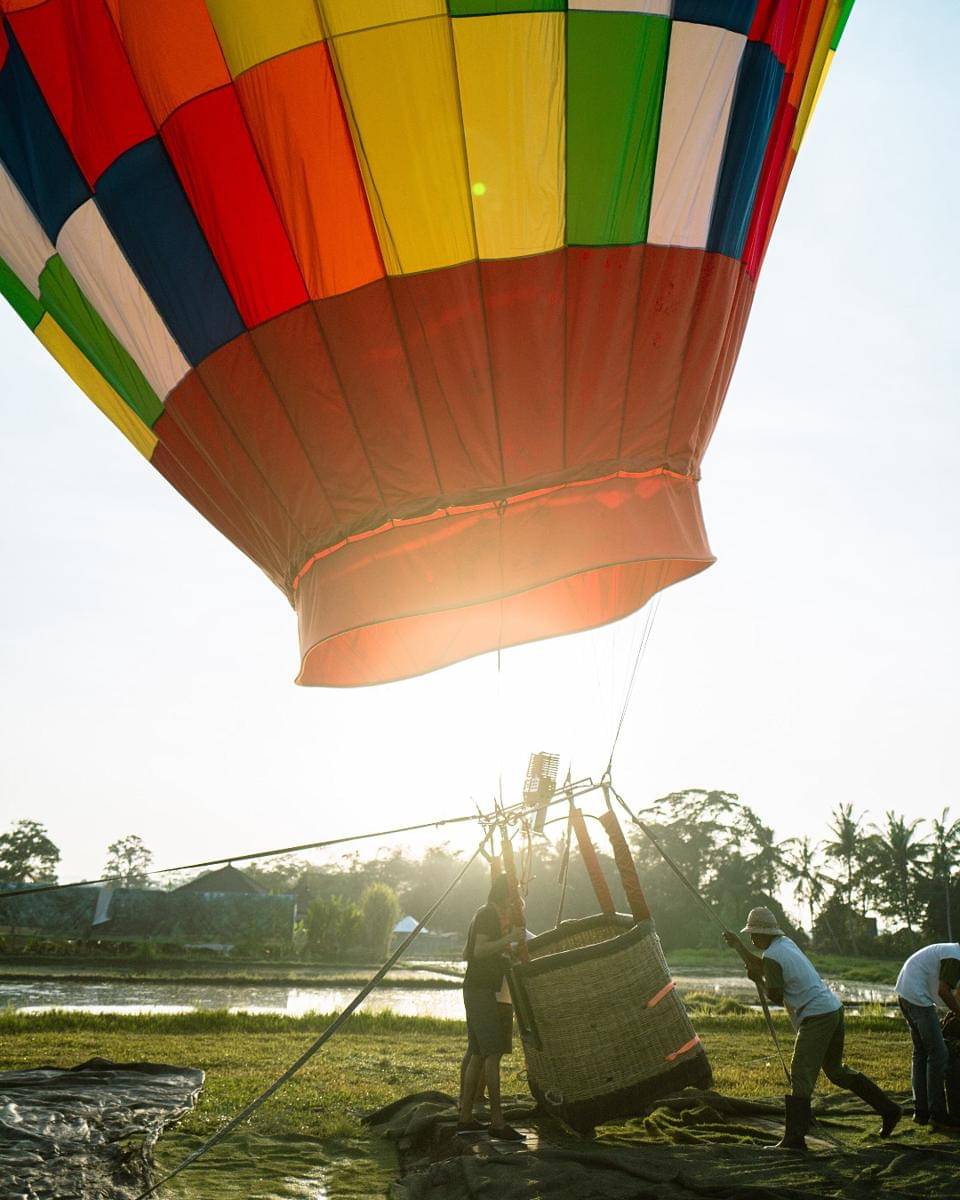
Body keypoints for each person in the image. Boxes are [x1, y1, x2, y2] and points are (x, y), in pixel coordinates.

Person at [725, 907, 900, 1151]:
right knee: (836, 1071)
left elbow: (774, 994)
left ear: (764, 933)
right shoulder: (784, 945)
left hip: (817, 1015)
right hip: (833, 1009)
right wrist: (738, 947)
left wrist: (758, 982)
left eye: (753, 934)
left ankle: (795, 1138)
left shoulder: (773, 956)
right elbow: (762, 965)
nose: (751, 939)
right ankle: (889, 1109)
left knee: (800, 1073)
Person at [457, 874, 524, 1140]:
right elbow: (477, 951)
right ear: (505, 894)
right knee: (492, 1054)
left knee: (477, 1053)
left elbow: (469, 952)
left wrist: (505, 947)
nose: (515, 900)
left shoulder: (486, 916)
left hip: (478, 989)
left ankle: (465, 1118)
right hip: (481, 991)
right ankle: (497, 1122)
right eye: (514, 893)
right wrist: (508, 941)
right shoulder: (487, 915)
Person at [895, 942, 960, 1129]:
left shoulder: (952, 952)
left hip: (906, 992)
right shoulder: (955, 957)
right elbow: (943, 991)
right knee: (939, 1054)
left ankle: (921, 1110)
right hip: (916, 997)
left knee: (922, 1053)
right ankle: (937, 1114)